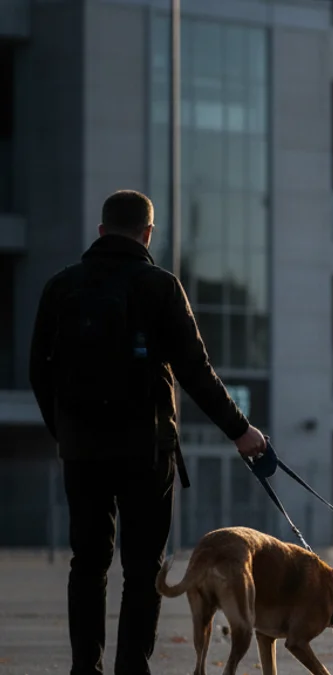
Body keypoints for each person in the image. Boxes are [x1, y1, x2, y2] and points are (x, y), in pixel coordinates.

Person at [28, 190, 267, 675]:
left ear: (100, 231)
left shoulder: (61, 287)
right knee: (142, 569)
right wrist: (241, 432)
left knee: (87, 563)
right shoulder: (159, 286)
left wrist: (66, 432)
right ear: (148, 233)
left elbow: (38, 371)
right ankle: (132, 669)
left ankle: (84, 669)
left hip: (83, 450)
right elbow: (196, 371)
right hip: (145, 449)